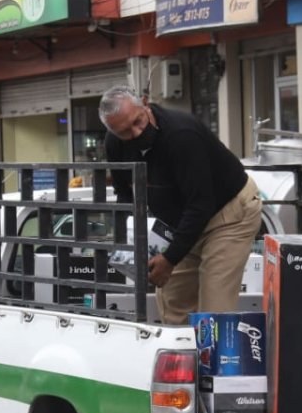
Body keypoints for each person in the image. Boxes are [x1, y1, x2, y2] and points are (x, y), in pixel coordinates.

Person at [100, 86, 262, 325]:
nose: (136, 133)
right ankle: (184, 360)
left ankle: (213, 359)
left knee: (213, 313)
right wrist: (132, 242)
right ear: (112, 131)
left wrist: (170, 259)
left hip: (228, 215)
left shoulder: (181, 134)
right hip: (179, 223)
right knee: (173, 305)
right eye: (125, 132)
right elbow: (125, 194)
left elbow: (200, 203)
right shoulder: (114, 145)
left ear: (144, 103)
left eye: (138, 122)